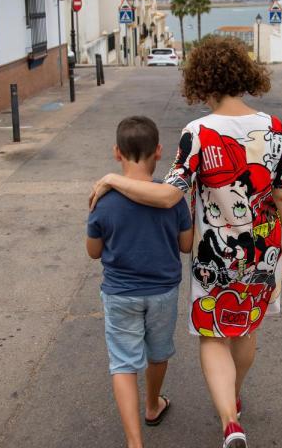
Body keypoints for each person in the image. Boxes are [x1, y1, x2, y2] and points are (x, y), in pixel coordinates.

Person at [90, 36, 282, 448]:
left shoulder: (197, 133)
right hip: (263, 249)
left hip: (216, 255)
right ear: (244, 74)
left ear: (202, 81)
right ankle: (233, 403)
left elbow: (168, 195)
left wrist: (112, 178)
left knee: (214, 333)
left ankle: (230, 421)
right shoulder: (274, 128)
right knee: (246, 328)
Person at [86, 115, 193, 448]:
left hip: (120, 294)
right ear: (159, 151)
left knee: (123, 363)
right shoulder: (171, 197)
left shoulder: (102, 199)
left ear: (117, 153)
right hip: (162, 292)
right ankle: (152, 405)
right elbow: (187, 246)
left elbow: (93, 251)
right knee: (157, 354)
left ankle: (134, 442)